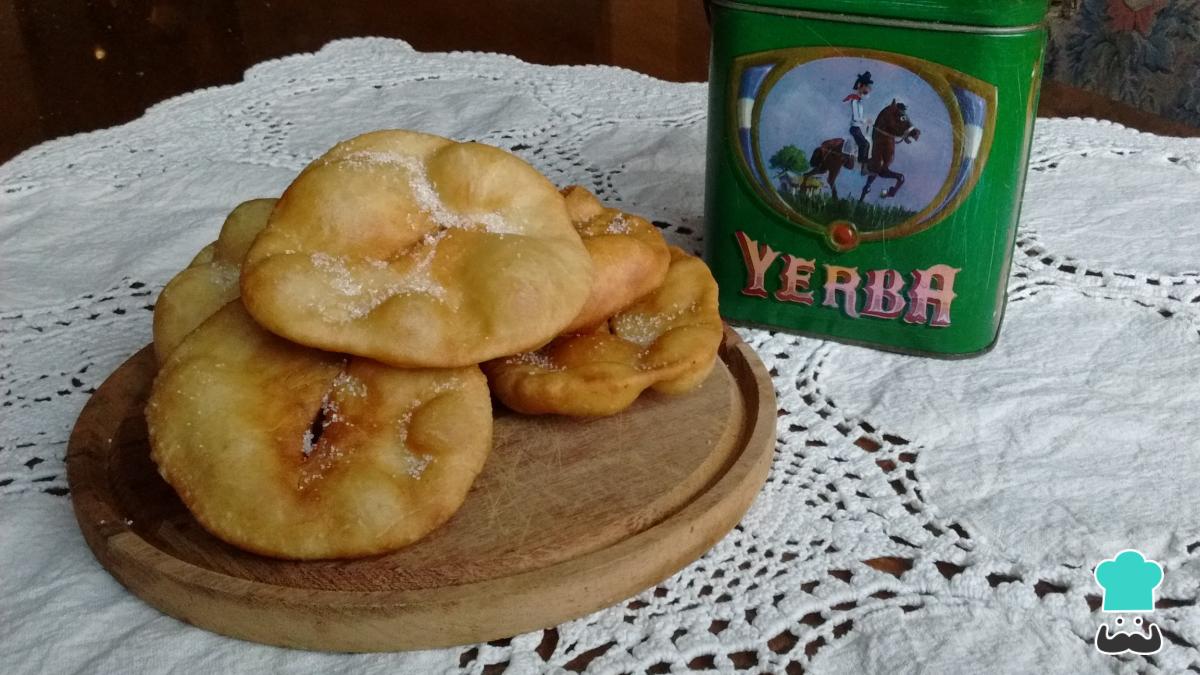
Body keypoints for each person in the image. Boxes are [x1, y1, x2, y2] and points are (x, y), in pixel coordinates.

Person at [844, 71, 873, 175]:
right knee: (864, 144)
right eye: (866, 87)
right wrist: (865, 120)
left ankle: (864, 166)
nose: (868, 89)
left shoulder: (859, 101)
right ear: (860, 86)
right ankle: (862, 167)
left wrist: (866, 121)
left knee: (868, 143)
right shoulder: (854, 100)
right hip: (854, 128)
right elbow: (856, 118)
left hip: (858, 128)